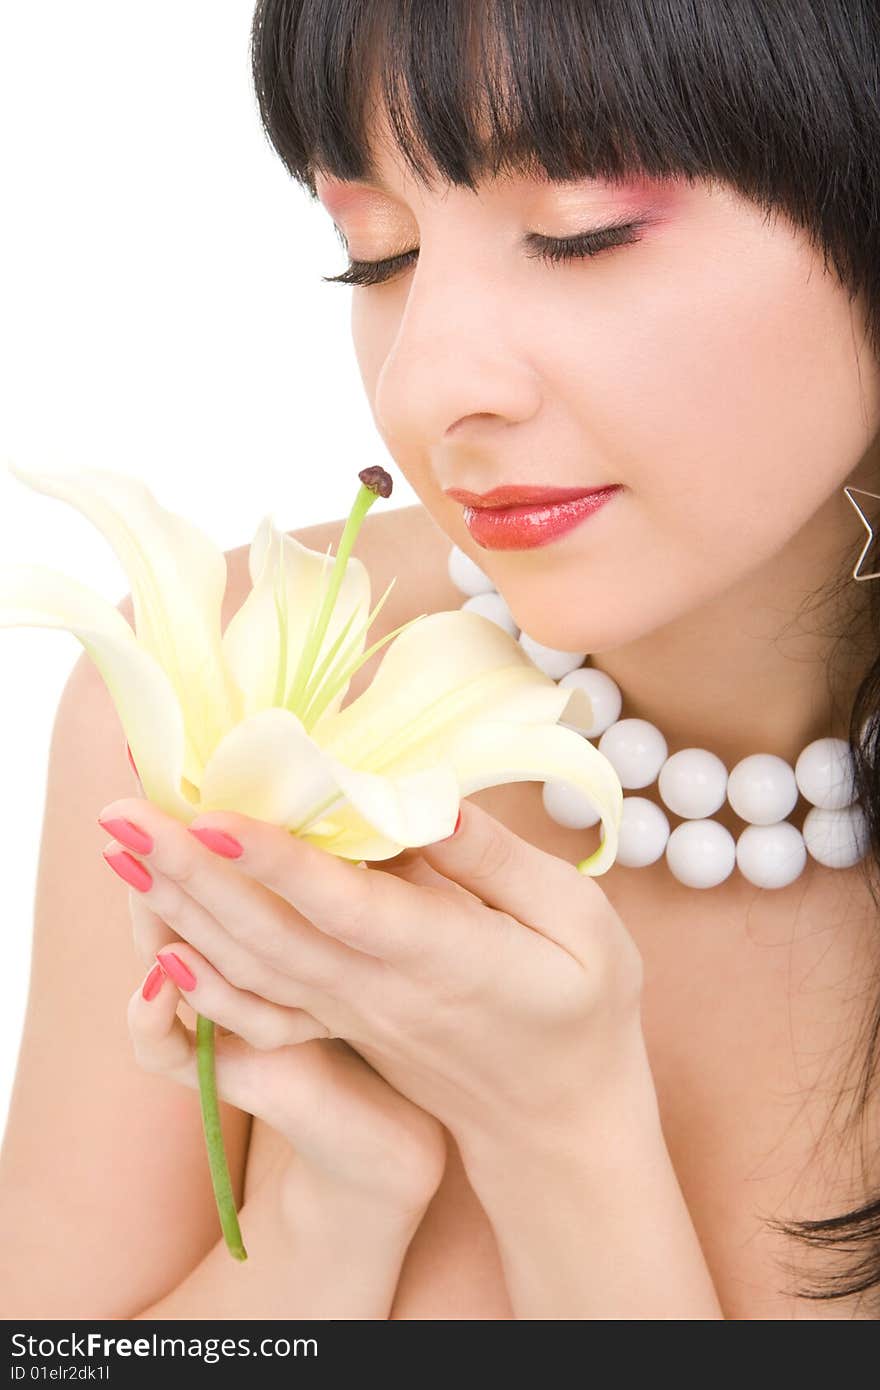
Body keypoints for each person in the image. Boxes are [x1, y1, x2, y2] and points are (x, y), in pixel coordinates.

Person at [2, 0, 880, 1319]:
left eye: (578, 229)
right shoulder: (244, 694)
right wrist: (324, 1215)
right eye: (377, 254)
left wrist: (557, 1133)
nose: (425, 388)